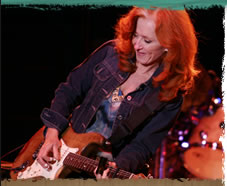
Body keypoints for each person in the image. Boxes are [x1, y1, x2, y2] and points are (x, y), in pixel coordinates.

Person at [37, 6, 199, 179]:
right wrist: (52, 133)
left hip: (94, 171)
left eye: (147, 40)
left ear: (170, 46)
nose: (137, 45)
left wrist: (116, 167)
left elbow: (142, 146)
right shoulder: (111, 53)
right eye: (135, 35)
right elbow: (69, 89)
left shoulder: (170, 95)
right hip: (61, 150)